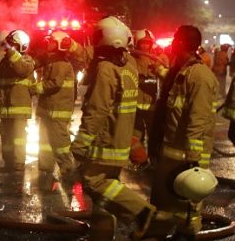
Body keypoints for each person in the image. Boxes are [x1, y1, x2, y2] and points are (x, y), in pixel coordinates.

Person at [70, 17, 158, 241]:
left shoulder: (106, 69)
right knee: (110, 185)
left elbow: (97, 109)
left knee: (93, 182)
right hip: (121, 138)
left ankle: (142, 212)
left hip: (105, 140)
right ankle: (102, 233)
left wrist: (81, 142)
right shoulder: (129, 65)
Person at [145, 25, 219, 239]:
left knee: (186, 211)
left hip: (185, 160)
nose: (172, 43)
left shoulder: (200, 76)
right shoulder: (182, 70)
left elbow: (198, 120)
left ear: (182, 43)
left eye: (176, 39)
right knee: (163, 207)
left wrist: (193, 163)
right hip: (171, 154)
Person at [0, 29, 34, 173]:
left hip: (19, 109)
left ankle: (18, 165)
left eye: (11, 45)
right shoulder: (4, 64)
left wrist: (12, 52)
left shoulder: (27, 60)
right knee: (6, 138)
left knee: (18, 138)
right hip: (5, 109)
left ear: (20, 46)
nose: (7, 48)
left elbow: (22, 70)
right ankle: (8, 163)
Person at [33, 30, 77, 179]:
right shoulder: (52, 61)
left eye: (50, 42)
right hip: (49, 109)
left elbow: (55, 84)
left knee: (60, 142)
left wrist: (35, 88)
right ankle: (46, 166)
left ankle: (68, 168)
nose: (48, 44)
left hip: (57, 110)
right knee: (45, 140)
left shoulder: (61, 64)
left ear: (58, 45)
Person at [129, 29, 167, 167]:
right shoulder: (131, 59)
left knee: (154, 135)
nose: (145, 46)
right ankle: (140, 161)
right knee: (135, 134)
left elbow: (167, 74)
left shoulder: (160, 58)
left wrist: (158, 67)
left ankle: (155, 161)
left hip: (153, 105)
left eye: (147, 43)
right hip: (136, 104)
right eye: (142, 43)